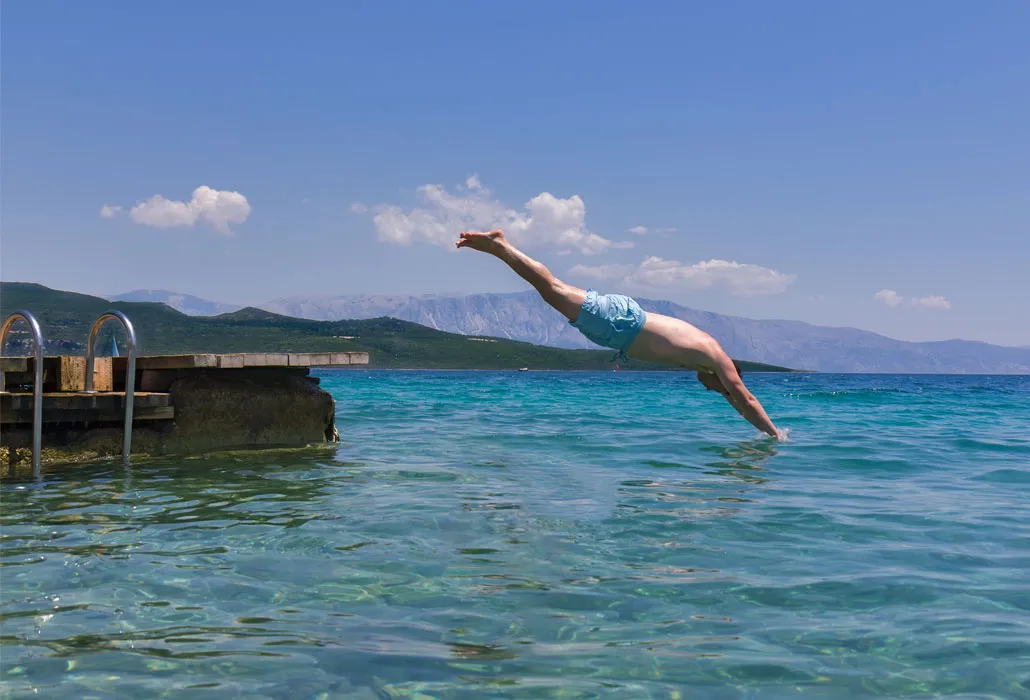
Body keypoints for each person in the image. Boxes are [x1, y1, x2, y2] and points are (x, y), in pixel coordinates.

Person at [456, 229, 784, 439]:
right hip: (621, 323)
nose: (714, 390)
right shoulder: (718, 359)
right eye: (721, 390)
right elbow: (746, 398)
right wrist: (775, 436)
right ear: (728, 377)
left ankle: (500, 248)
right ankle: (500, 246)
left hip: (618, 328)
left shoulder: (708, 358)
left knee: (553, 292)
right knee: (552, 289)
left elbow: (738, 401)